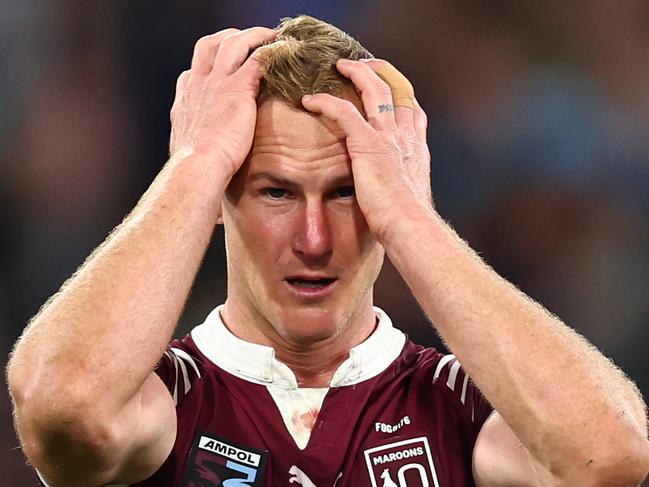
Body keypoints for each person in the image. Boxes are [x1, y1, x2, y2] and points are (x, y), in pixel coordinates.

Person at [6, 15, 649, 487]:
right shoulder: (165, 400)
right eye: (276, 192)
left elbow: (610, 458)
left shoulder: (460, 407)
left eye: (347, 193)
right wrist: (195, 165)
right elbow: (61, 408)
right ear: (220, 203)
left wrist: (411, 218)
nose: (313, 240)